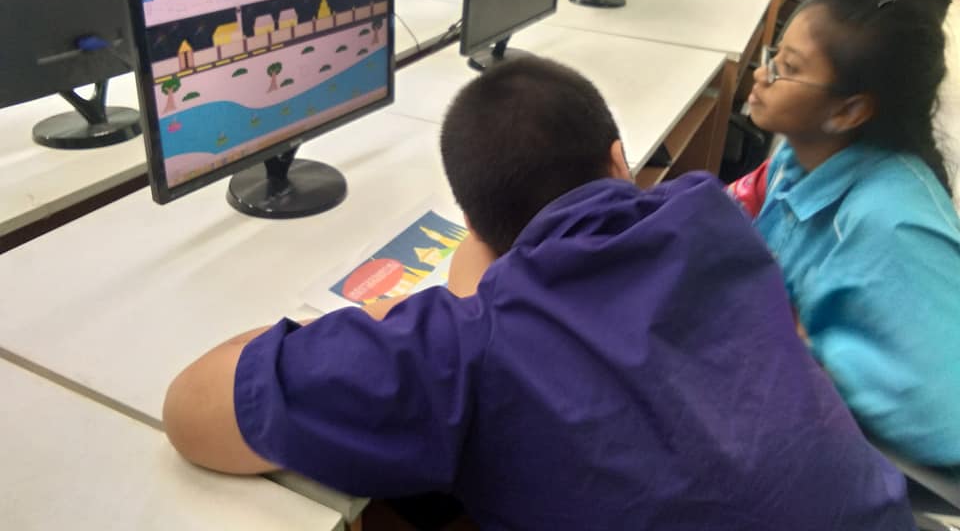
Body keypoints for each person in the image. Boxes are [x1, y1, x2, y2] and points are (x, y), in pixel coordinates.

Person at [163, 57, 913, 530]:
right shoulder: (712, 217)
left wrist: (429, 316)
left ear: (471, 221)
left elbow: (192, 408)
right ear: (619, 161)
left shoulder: (467, 351)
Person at [738, 0, 960, 468]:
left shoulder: (894, 228)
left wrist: (807, 356)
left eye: (787, 68)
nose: (761, 74)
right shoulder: (799, 157)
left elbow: (951, 422)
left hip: (853, 464)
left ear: (850, 110)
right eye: (775, 56)